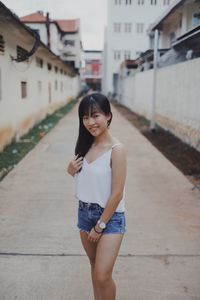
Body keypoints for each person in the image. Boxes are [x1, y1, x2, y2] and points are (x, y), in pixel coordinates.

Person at [67, 92, 127, 300]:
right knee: (94, 267)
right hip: (84, 213)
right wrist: (70, 170)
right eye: (85, 117)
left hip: (109, 218)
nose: (90, 122)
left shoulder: (117, 150)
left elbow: (117, 193)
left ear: (108, 116)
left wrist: (100, 225)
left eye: (95, 116)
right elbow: (83, 178)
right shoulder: (85, 145)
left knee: (103, 275)